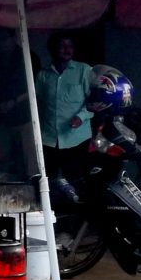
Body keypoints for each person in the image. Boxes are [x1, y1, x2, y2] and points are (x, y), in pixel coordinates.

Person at [35, 32, 93, 178]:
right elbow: (37, 102)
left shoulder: (84, 70)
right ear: (53, 49)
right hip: (48, 139)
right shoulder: (43, 75)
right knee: (51, 182)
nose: (67, 49)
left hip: (77, 139)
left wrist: (81, 116)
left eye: (70, 46)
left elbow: (94, 100)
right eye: (62, 45)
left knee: (76, 180)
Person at [0, 32, 40, 179]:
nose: (2, 44)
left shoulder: (28, 58)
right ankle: (5, 190)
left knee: (29, 159)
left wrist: (15, 101)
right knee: (3, 159)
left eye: (5, 39)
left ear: (13, 39)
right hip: (3, 119)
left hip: (25, 117)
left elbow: (36, 88)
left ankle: (32, 190)